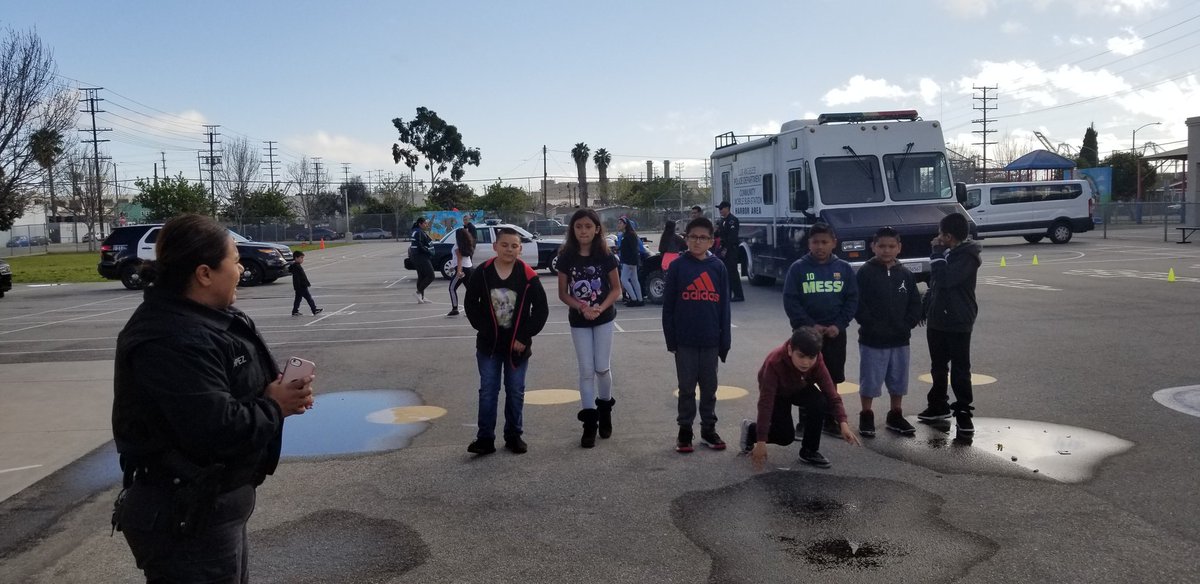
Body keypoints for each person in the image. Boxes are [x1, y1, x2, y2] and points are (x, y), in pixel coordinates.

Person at [111, 214, 314, 583]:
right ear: (204, 274)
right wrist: (274, 406)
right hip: (185, 519)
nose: (241, 269)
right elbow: (214, 427)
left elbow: (229, 392)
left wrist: (277, 393)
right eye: (234, 261)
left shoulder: (206, 318)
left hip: (211, 507)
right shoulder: (172, 338)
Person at [463, 227, 550, 455]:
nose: (509, 249)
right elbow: (471, 304)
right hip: (489, 346)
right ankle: (485, 439)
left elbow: (541, 310)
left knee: (515, 391)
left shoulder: (528, 275)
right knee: (488, 391)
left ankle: (514, 435)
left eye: (514, 246)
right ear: (495, 247)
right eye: (504, 245)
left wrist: (524, 337)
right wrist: (484, 329)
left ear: (520, 249)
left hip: (517, 348)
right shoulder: (482, 273)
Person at [741, 327, 860, 470]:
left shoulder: (817, 361)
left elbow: (831, 394)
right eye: (801, 356)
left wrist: (843, 423)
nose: (806, 363)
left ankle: (809, 450)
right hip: (778, 392)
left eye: (811, 357)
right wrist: (761, 441)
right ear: (790, 350)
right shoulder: (774, 363)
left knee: (820, 401)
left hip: (799, 386)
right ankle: (750, 430)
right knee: (785, 437)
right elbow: (765, 404)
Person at [782, 222, 859, 436]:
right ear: (809, 243)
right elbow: (791, 301)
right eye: (815, 242)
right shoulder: (798, 268)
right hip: (806, 336)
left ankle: (830, 418)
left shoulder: (843, 269)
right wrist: (810, 326)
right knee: (803, 376)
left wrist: (839, 325)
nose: (820, 246)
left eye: (824, 242)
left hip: (834, 335)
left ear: (834, 243)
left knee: (831, 377)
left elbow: (852, 300)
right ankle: (804, 420)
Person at [662, 217, 731, 453]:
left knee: (710, 388)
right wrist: (671, 339)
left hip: (711, 340)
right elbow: (668, 307)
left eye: (703, 238)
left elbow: (724, 308)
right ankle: (685, 430)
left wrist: (724, 341)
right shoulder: (678, 266)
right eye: (693, 237)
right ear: (686, 238)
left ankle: (708, 429)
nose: (697, 242)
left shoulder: (718, 267)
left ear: (711, 241)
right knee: (687, 388)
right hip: (685, 341)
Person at [557, 208, 623, 448]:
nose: (583, 231)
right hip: (580, 320)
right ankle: (589, 424)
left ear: (596, 229)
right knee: (586, 371)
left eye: (588, 226)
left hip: (604, 318)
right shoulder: (566, 256)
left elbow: (616, 289)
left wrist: (600, 307)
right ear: (572, 230)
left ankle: (605, 411)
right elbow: (563, 293)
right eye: (578, 226)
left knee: (602, 368)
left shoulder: (606, 255)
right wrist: (581, 307)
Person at [917, 213, 982, 437]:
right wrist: (926, 307)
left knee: (960, 368)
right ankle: (938, 404)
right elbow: (935, 284)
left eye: (940, 234)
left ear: (948, 236)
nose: (937, 238)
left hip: (959, 320)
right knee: (938, 366)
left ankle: (963, 411)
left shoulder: (967, 256)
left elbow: (945, 280)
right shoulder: (948, 253)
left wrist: (936, 253)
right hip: (938, 320)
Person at [854, 227, 921, 437]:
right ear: (873, 247)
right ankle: (866, 415)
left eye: (891, 246)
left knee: (898, 379)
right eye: (882, 246)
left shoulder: (906, 274)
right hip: (872, 340)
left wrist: (907, 324)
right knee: (870, 380)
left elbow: (915, 302)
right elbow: (857, 303)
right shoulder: (865, 273)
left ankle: (895, 414)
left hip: (900, 339)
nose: (886, 250)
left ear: (899, 247)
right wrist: (870, 324)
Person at [715, 201, 744, 301]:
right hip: (724, 249)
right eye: (719, 209)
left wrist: (725, 249)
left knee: (732, 272)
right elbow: (719, 234)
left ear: (727, 208)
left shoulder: (732, 220)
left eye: (721, 208)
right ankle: (728, 294)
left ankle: (739, 295)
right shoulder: (723, 221)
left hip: (731, 249)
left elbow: (732, 237)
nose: (720, 211)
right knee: (726, 272)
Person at [447, 222, 476, 317]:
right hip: (469, 268)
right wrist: (452, 266)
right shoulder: (468, 243)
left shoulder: (457, 245)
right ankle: (473, 309)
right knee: (470, 290)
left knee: (452, 288)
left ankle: (455, 308)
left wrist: (459, 271)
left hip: (462, 269)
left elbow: (459, 259)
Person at [616, 216, 645, 307]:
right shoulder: (629, 234)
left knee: (624, 279)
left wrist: (631, 261)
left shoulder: (629, 235)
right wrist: (618, 249)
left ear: (625, 225)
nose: (618, 225)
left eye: (620, 223)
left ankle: (634, 299)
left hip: (629, 261)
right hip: (631, 261)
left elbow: (632, 249)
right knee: (634, 280)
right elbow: (627, 247)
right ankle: (640, 300)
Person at [288, 251, 323, 317]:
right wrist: (302, 285)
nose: (302, 259)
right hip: (301, 286)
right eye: (301, 258)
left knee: (298, 299)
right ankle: (314, 309)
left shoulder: (296, 266)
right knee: (309, 298)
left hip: (299, 286)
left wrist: (306, 283)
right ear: (296, 258)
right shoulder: (296, 267)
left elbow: (302, 276)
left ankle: (295, 311)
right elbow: (298, 278)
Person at [409, 217, 435, 304]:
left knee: (422, 276)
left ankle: (421, 297)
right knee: (431, 275)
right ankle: (418, 292)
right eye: (425, 223)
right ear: (420, 224)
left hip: (416, 256)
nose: (426, 225)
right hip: (420, 257)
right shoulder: (418, 232)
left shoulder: (416, 231)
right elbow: (419, 245)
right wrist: (428, 251)